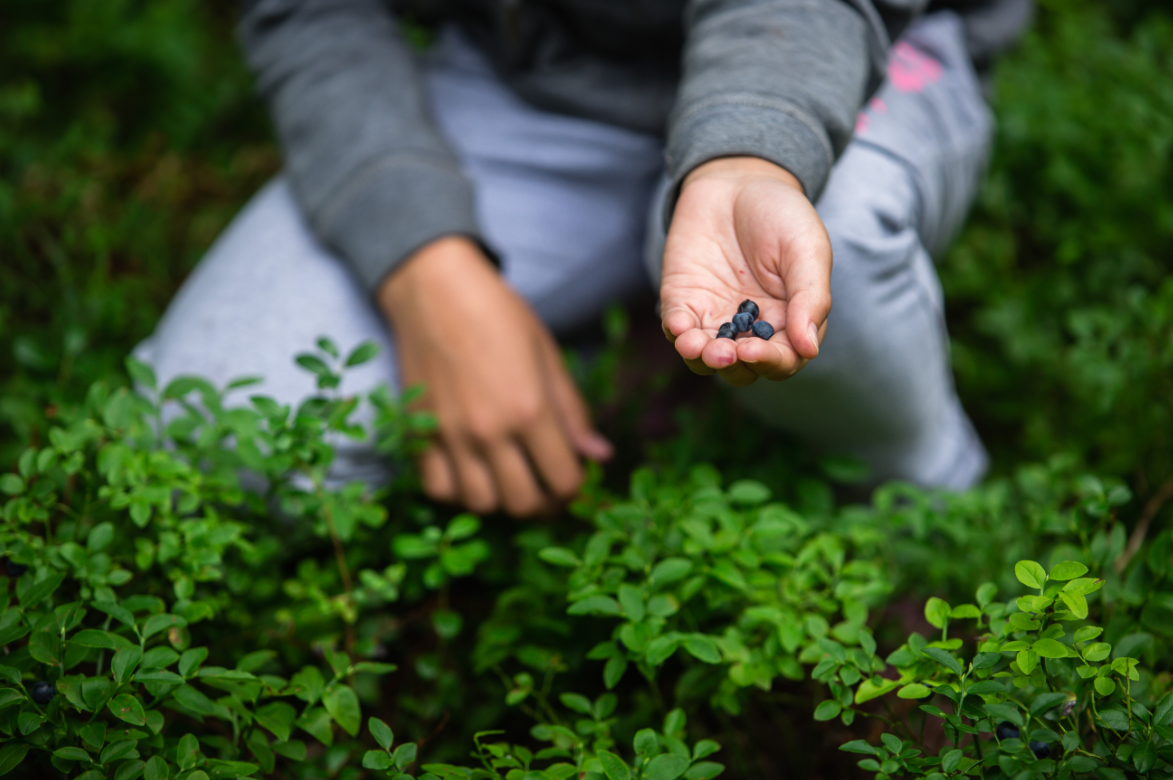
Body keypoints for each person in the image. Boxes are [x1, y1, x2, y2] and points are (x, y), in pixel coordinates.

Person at [137, 0, 1031, 516]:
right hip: (533, 75)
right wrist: (425, 268)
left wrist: (755, 145)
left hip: (827, 39)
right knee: (207, 432)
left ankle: (930, 501)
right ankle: (636, 374)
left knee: (815, 254)